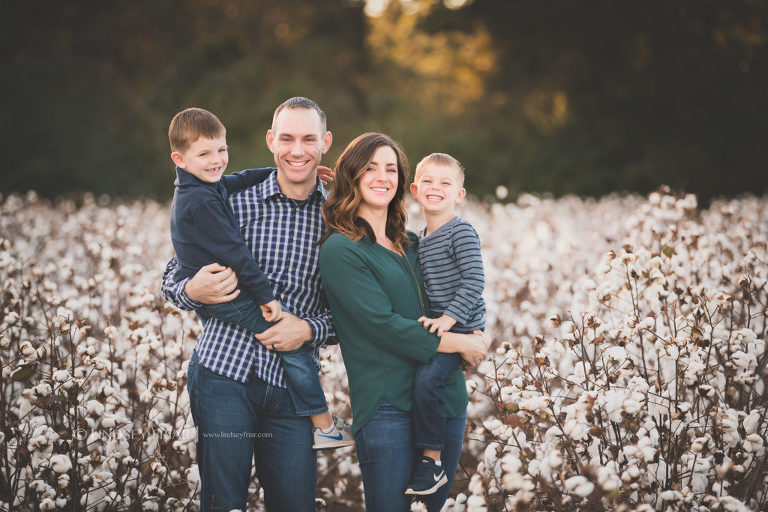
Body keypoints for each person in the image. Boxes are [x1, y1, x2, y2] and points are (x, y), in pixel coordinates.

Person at [162, 97, 350, 512]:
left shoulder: (341, 220)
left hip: (291, 393)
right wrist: (192, 290)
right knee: (223, 502)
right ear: (271, 140)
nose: (296, 150)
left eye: (308, 139)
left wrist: (308, 329)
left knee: (295, 503)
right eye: (286, 138)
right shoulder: (229, 199)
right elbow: (173, 275)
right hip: (223, 376)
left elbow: (357, 316)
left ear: (325, 143)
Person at [318, 133, 488, 511]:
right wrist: (463, 344)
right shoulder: (341, 249)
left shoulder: (414, 242)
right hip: (386, 405)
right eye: (370, 168)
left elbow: (460, 287)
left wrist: (475, 330)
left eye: (390, 169)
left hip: (444, 398)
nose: (382, 177)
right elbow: (383, 326)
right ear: (353, 176)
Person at [405, 153, 486, 496]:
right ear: (414, 189)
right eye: (428, 181)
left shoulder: (460, 231)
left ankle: (432, 461)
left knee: (427, 382)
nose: (435, 188)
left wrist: (449, 321)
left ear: (459, 195)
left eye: (445, 183)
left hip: (462, 327)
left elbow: (474, 281)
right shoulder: (420, 237)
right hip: (443, 326)